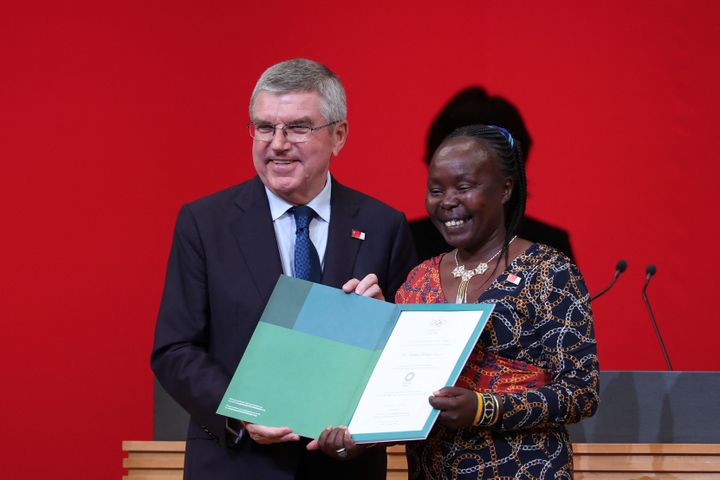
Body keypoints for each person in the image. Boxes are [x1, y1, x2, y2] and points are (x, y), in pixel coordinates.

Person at [151, 58, 417, 480]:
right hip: (236, 465)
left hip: (344, 471)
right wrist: (240, 413)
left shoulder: (384, 226)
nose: (277, 143)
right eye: (264, 127)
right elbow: (175, 350)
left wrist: (384, 323)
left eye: (297, 128)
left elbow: (409, 359)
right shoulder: (204, 223)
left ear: (339, 135)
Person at [396, 124, 599, 478]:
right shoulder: (417, 280)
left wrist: (485, 408)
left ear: (505, 189)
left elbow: (581, 391)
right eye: (436, 189)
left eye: (464, 187)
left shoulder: (549, 272)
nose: (447, 201)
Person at [409, 87, 575, 262]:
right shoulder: (407, 242)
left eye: (464, 186)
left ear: (506, 185)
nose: (449, 201)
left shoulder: (550, 252)